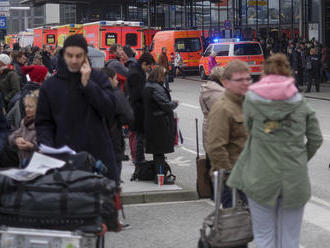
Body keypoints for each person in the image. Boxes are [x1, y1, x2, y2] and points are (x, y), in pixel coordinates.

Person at [227, 54, 323, 248]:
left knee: (264, 237)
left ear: (265, 73)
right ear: (289, 73)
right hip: (294, 179)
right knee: (290, 239)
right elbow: (316, 139)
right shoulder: (302, 104)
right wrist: (301, 158)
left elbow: (249, 131)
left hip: (260, 177)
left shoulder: (251, 101)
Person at [35, 34, 119, 184]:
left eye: (78, 56)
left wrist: (88, 85)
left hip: (97, 156)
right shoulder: (50, 85)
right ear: (63, 54)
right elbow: (43, 122)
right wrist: (47, 147)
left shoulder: (98, 78)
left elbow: (110, 110)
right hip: (63, 159)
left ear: (85, 56)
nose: (74, 60)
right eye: (70, 55)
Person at [207, 60, 250, 222]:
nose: (245, 83)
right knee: (236, 231)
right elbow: (216, 147)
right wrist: (230, 177)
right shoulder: (223, 108)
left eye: (248, 79)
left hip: (248, 177)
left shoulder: (245, 103)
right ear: (226, 82)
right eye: (240, 80)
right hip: (232, 180)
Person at [143, 66, 178, 182]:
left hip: (151, 122)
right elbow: (166, 105)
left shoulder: (148, 86)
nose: (165, 77)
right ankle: (160, 178)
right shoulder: (156, 88)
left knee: (157, 152)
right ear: (158, 75)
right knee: (159, 153)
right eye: (163, 75)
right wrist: (174, 103)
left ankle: (159, 176)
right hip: (159, 123)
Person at [101, 67, 134, 181]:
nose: (117, 82)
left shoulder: (91, 91)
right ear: (109, 79)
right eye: (115, 79)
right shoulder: (115, 94)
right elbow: (128, 117)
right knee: (113, 176)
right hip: (113, 138)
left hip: (95, 141)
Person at [199, 66, 225, 197]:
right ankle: (216, 191)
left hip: (207, 124)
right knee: (217, 161)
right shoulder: (218, 93)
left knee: (210, 158)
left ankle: (212, 190)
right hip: (216, 126)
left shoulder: (205, 89)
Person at [127, 52, 155, 166]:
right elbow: (138, 94)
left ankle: (139, 158)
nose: (149, 69)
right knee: (140, 135)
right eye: (149, 66)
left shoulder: (136, 71)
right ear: (144, 63)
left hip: (137, 107)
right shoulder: (137, 74)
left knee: (139, 135)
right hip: (138, 108)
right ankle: (139, 159)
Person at [8, 90, 39, 167]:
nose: (27, 109)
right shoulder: (25, 121)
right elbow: (13, 135)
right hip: (23, 162)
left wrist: (32, 146)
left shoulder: (43, 125)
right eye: (26, 106)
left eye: (30, 107)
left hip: (36, 164)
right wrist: (16, 139)